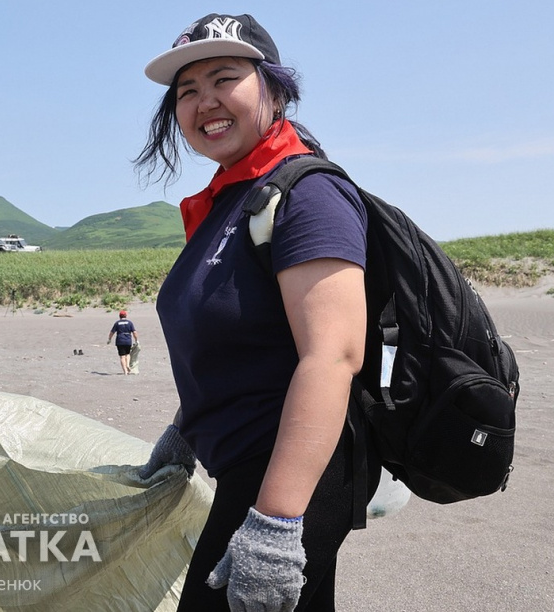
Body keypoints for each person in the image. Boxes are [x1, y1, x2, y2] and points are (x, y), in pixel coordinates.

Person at [135, 14, 381, 611]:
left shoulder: (307, 194)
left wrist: (275, 526)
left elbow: (333, 354)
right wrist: (186, 432)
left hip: (298, 473)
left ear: (274, 87)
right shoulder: (233, 198)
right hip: (249, 466)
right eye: (187, 91)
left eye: (225, 78)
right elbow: (241, 346)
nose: (204, 101)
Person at [107, 310, 139, 374]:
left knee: (122, 356)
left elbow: (112, 332)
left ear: (119, 316)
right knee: (127, 354)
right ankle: (127, 365)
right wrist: (136, 340)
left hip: (120, 341)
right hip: (128, 341)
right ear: (126, 316)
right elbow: (134, 332)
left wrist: (109, 339)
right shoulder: (129, 323)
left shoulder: (117, 323)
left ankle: (125, 371)